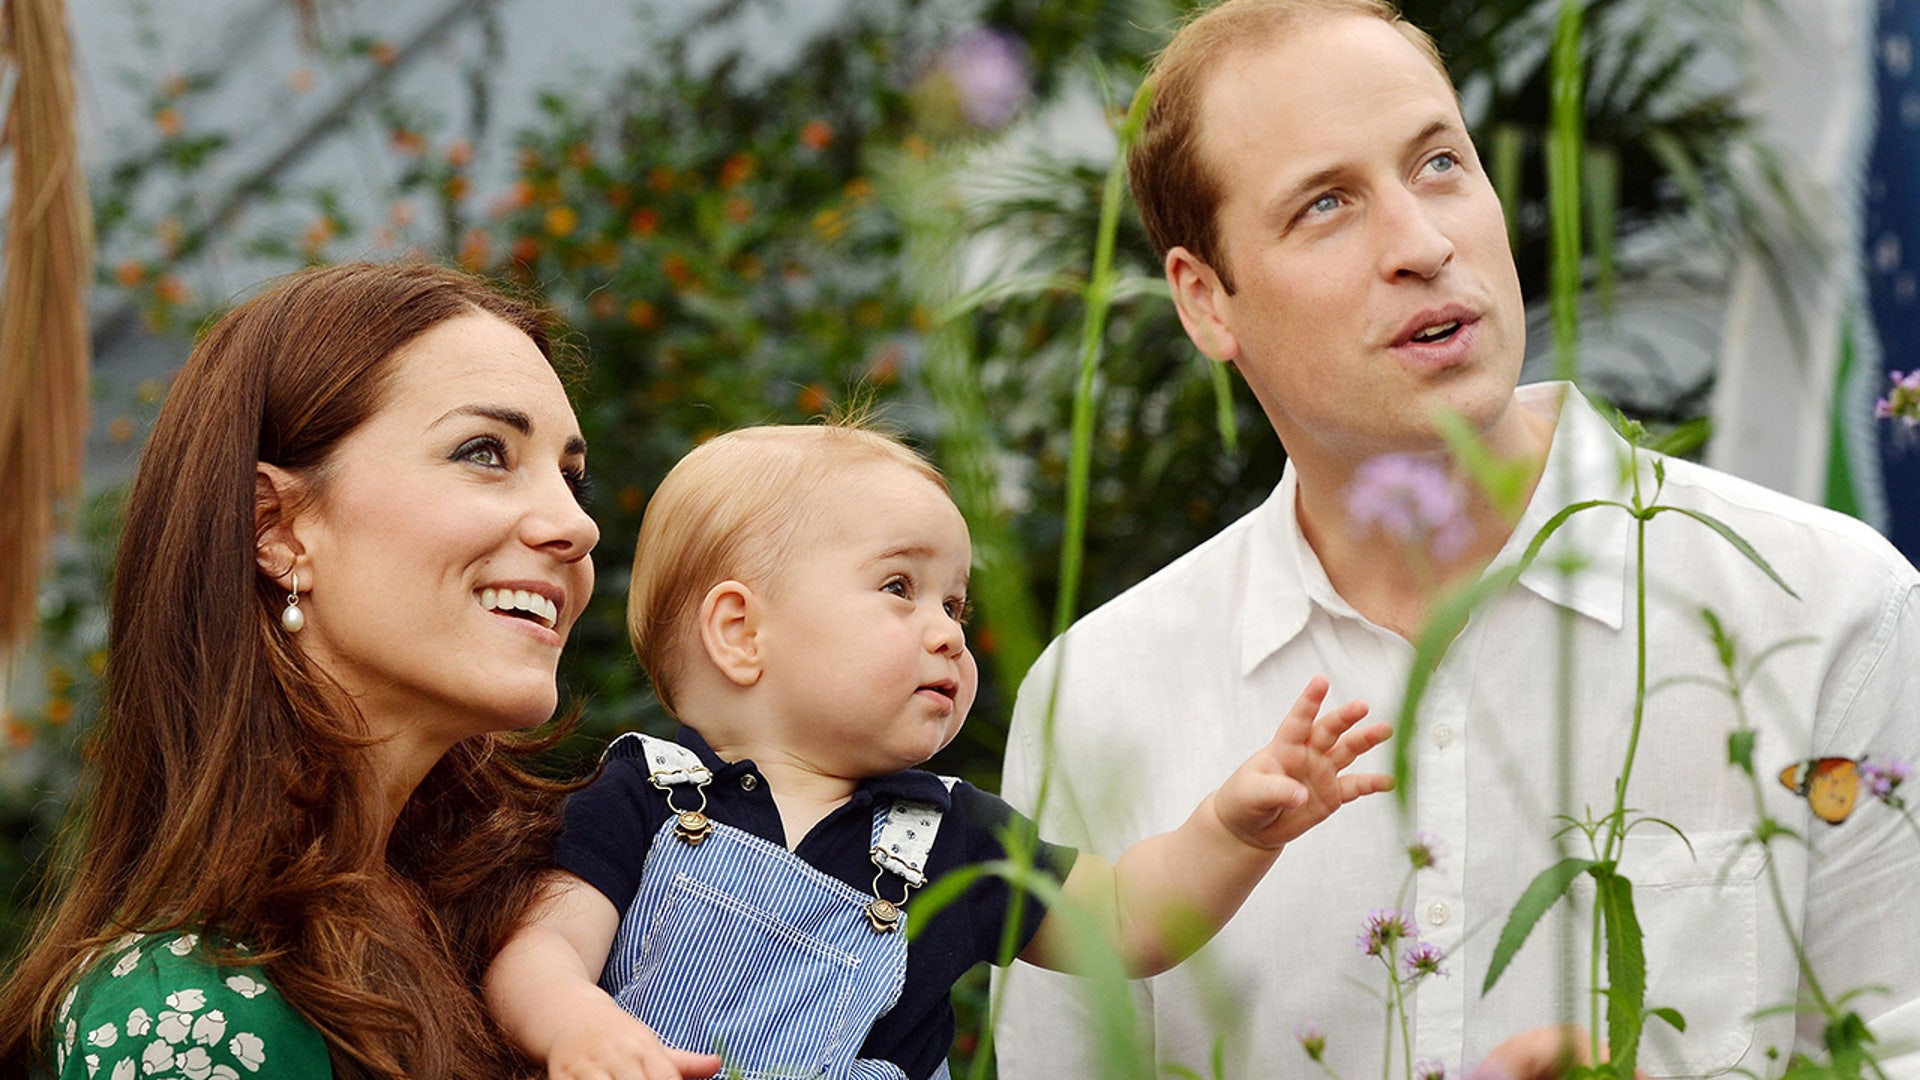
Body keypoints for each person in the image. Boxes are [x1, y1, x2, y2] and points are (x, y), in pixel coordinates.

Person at [993, 1, 1920, 1077]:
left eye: (1439, 163)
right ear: (1205, 304)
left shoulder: (1827, 608)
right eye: (1327, 204)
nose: (1426, 245)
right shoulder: (1101, 695)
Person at [481, 422, 1395, 1080]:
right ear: (740, 631)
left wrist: (1235, 832)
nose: (948, 632)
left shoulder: (954, 833)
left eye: (954, 604)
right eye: (899, 587)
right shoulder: (644, 795)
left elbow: (1127, 922)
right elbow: (538, 952)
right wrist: (579, 1028)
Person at [0, 262, 602, 1078]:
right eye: (485, 452)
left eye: (571, 476)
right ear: (276, 529)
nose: (576, 526)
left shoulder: (545, 933)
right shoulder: (192, 1011)